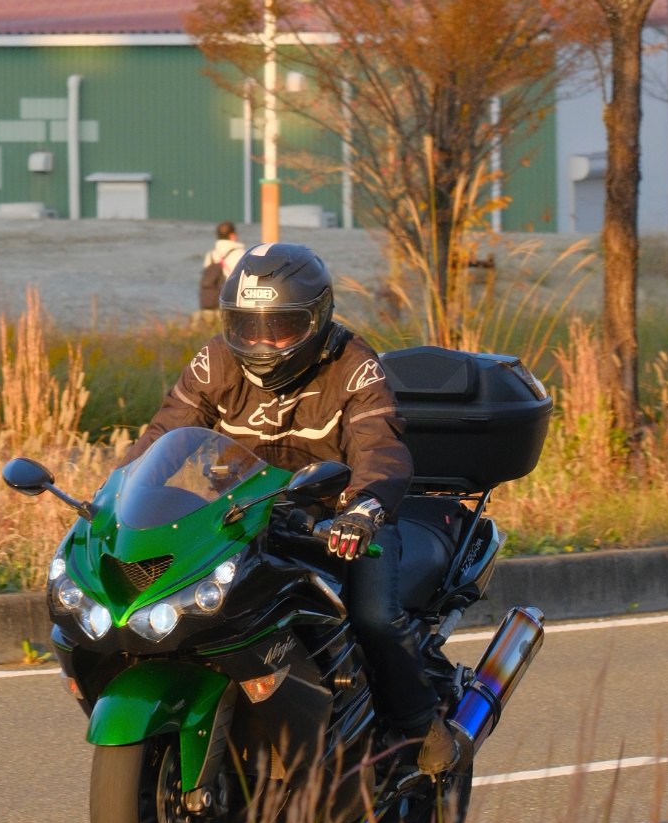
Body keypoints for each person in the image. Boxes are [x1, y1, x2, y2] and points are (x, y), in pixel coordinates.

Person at [131, 241, 462, 775]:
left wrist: (364, 508)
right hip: (243, 518)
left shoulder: (353, 364)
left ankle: (422, 726)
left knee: (374, 617)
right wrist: (118, 496)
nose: (261, 343)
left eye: (280, 327)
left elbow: (380, 446)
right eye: (247, 326)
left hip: (340, 519)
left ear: (317, 319)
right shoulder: (216, 360)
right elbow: (164, 433)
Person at [196, 220, 239, 313]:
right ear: (232, 235)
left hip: (210, 301)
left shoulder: (211, 254)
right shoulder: (239, 253)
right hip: (229, 301)